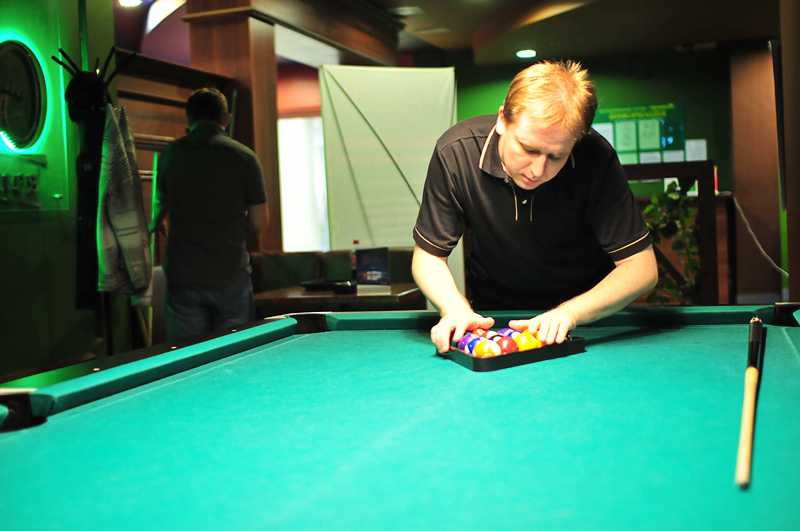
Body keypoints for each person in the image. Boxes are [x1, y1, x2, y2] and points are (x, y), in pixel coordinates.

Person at [412, 60, 658, 353]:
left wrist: (570, 313)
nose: (538, 170)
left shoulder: (596, 156)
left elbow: (641, 267)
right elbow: (429, 256)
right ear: (502, 120)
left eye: (556, 156)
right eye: (528, 149)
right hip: (494, 319)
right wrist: (454, 309)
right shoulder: (456, 152)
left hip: (585, 317)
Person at [150, 88, 269, 340]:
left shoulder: (171, 154)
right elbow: (259, 223)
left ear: (189, 118)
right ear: (227, 119)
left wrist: (157, 223)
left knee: (188, 355)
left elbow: (158, 207)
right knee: (235, 354)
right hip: (230, 274)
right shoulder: (245, 157)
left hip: (184, 276)